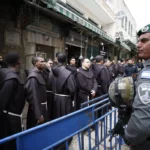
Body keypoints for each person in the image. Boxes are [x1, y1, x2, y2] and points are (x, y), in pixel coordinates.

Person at [122, 24, 150, 150]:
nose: (138, 45)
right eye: (138, 41)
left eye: (144, 41)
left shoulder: (147, 74)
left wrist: (130, 137)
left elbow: (142, 122)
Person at [0, 52, 25, 150]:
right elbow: (2, 101)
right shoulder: (11, 78)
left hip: (12, 117)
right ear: (18, 62)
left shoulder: (9, 74)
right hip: (9, 120)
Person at [49, 53, 76, 119]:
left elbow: (50, 83)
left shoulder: (51, 71)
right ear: (66, 60)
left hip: (54, 98)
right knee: (65, 119)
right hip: (65, 100)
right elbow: (72, 89)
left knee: (55, 117)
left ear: (57, 60)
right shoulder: (68, 73)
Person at [25, 56, 48, 129]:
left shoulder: (40, 73)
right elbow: (33, 97)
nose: (44, 63)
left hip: (42, 108)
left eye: (44, 61)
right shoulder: (33, 77)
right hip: (37, 111)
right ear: (35, 63)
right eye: (41, 61)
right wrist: (38, 115)